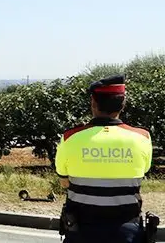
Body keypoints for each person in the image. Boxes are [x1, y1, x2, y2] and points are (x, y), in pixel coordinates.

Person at [54, 75, 153, 243]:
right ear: (123, 104)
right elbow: (143, 171)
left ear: (93, 102)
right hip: (127, 232)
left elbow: (64, 180)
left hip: (81, 231)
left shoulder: (70, 137)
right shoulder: (142, 137)